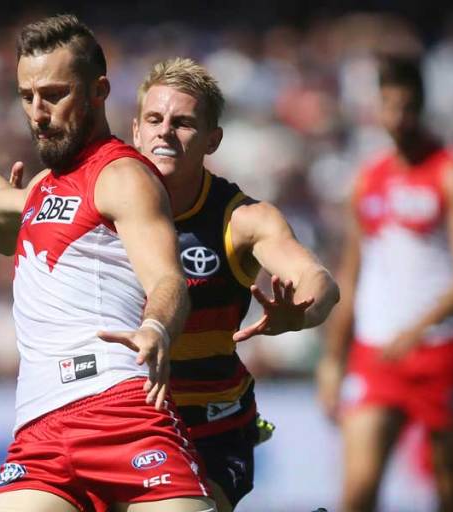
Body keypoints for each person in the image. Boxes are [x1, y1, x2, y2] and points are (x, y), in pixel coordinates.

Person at [0, 15, 216, 512]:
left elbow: (167, 279)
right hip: (40, 433)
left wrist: (157, 326)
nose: (38, 112)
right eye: (26, 96)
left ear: (98, 91)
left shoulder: (121, 175)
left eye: (53, 94)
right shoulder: (45, 187)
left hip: (120, 410)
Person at [130, 57, 339, 512]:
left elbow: (319, 282)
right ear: (135, 130)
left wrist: (301, 312)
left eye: (183, 122)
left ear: (212, 139)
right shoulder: (103, 203)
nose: (165, 131)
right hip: (127, 421)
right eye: (154, 119)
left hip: (212, 428)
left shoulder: (241, 219)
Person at [315, 56, 453, 512]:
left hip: (439, 350)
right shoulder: (368, 179)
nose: (397, 118)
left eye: (406, 106)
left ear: (422, 106)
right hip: (375, 355)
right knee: (356, 493)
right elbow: (353, 272)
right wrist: (334, 357)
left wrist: (419, 328)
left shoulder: (452, 173)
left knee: (451, 494)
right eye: (388, 106)